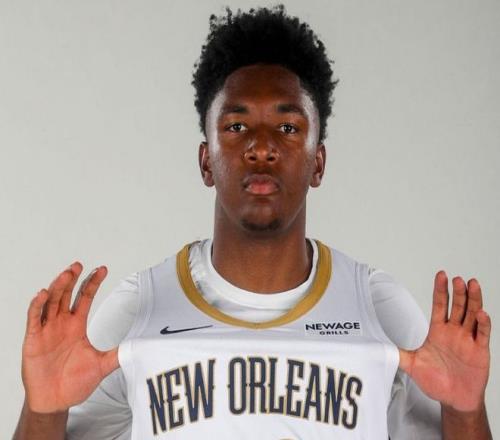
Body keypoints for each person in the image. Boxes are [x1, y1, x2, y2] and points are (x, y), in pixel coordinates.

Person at [14, 5, 492, 439]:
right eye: (237, 126)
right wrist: (43, 411)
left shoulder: (376, 306)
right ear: (206, 162)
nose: (261, 147)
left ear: (318, 162)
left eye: (288, 127)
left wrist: (465, 411)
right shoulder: (142, 306)